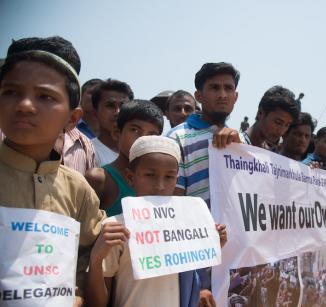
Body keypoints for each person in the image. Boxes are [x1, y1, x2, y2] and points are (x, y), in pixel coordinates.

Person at [0, 35, 105, 305]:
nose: (24, 105)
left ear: (72, 119)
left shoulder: (78, 189)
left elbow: (89, 255)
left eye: (45, 96)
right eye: (11, 92)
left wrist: (78, 293)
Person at [86, 135, 228, 307]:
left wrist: (211, 245)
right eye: (150, 175)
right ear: (130, 178)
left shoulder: (187, 224)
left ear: (177, 179)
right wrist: (96, 260)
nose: (160, 186)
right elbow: (97, 303)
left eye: (169, 177)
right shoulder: (115, 228)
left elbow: (191, 278)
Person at [167, 62, 241, 305]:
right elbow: (173, 211)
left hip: (236, 265)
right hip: (197, 268)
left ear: (236, 96)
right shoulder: (178, 137)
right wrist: (197, 281)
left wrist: (241, 147)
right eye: (214, 87)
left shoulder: (242, 139)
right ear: (199, 95)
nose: (222, 94)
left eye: (228, 88)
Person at [85, 100, 163, 216]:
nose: (142, 139)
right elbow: (83, 230)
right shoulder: (100, 179)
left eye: (152, 135)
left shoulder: (161, 182)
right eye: (135, 130)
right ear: (117, 133)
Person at [241, 85, 299, 151]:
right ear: (260, 113)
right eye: (278, 122)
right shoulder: (232, 144)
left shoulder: (271, 156)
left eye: (287, 125)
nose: (281, 131)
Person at [91, 78, 134, 166]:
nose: (117, 112)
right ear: (95, 113)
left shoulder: (138, 155)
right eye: (110, 106)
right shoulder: (88, 151)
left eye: (123, 106)